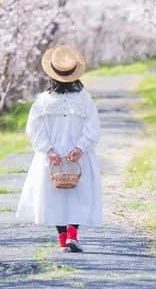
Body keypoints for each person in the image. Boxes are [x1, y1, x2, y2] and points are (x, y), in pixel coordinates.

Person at [15, 43, 102, 251]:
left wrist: (48, 150)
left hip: (52, 156)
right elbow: (93, 126)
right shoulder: (84, 99)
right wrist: (81, 147)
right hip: (77, 155)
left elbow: (33, 128)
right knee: (78, 194)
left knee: (54, 195)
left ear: (52, 75)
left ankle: (63, 241)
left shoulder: (44, 101)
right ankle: (73, 235)